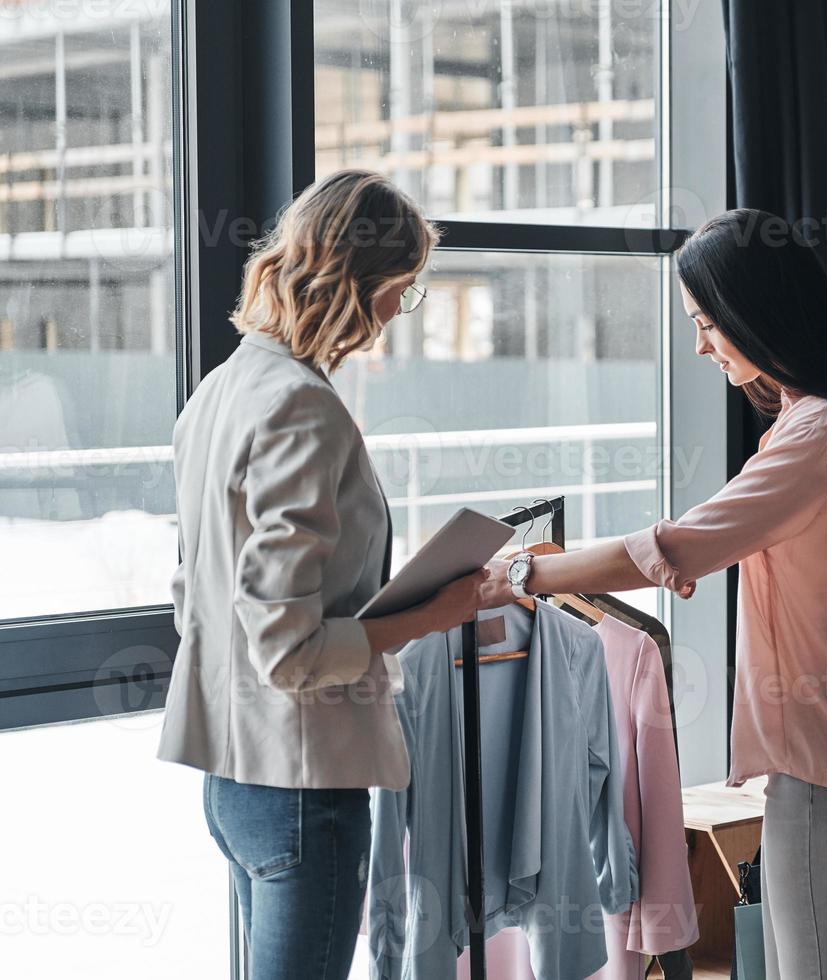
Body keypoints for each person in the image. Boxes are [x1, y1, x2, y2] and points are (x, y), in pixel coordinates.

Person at [482, 209, 827, 979]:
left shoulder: (817, 433)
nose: (700, 346)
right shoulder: (823, 419)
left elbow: (682, 544)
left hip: (824, 773)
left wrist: (527, 575)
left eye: (709, 324)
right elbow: (702, 543)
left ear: (763, 312)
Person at [158, 169, 495, 980]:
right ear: (360, 283)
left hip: (235, 784)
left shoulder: (222, 388)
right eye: (401, 292)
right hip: (301, 788)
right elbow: (291, 651)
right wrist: (434, 610)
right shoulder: (303, 405)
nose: (394, 315)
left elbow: (195, 598)